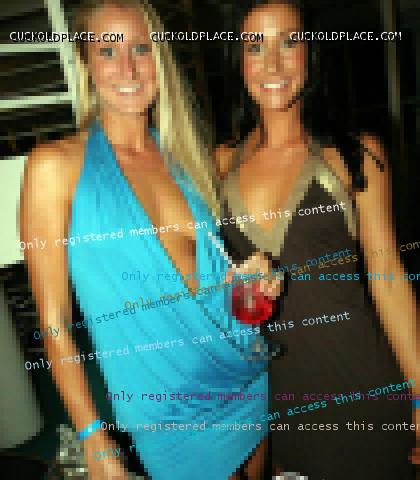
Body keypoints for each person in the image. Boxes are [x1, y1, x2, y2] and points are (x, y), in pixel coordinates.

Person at [20, 1, 268, 478]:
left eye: (141, 48)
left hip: (242, 371)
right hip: (166, 412)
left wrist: (247, 284)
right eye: (107, 51)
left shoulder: (185, 158)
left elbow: (204, 284)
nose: (128, 68)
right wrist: (93, 436)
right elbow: (53, 320)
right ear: (85, 62)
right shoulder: (55, 167)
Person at [215, 0, 419, 478]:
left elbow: (388, 279)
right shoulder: (219, 162)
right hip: (276, 402)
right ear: (238, 60)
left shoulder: (354, 154)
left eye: (289, 42)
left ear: (311, 52)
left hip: (363, 387)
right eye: (255, 47)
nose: (273, 64)